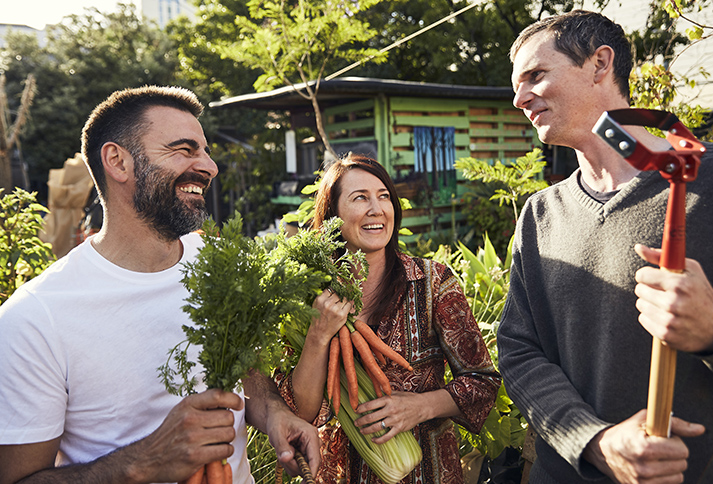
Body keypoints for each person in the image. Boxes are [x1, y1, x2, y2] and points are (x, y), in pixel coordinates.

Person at [497, 10, 713, 484]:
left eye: (535, 75)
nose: (519, 98)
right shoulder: (540, 216)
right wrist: (595, 442)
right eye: (516, 85)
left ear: (599, 64)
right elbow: (518, 353)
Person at [0, 86, 320, 484]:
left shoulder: (217, 262)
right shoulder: (35, 317)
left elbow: (249, 371)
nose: (209, 166)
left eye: (205, 150)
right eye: (184, 149)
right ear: (118, 161)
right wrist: (144, 462)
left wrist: (275, 413)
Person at [275, 153, 501, 484]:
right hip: (341, 474)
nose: (376, 209)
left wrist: (421, 407)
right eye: (360, 198)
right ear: (332, 214)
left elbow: (482, 383)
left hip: (429, 473)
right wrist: (318, 335)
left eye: (384, 197)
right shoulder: (307, 298)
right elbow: (300, 413)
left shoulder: (432, 282)